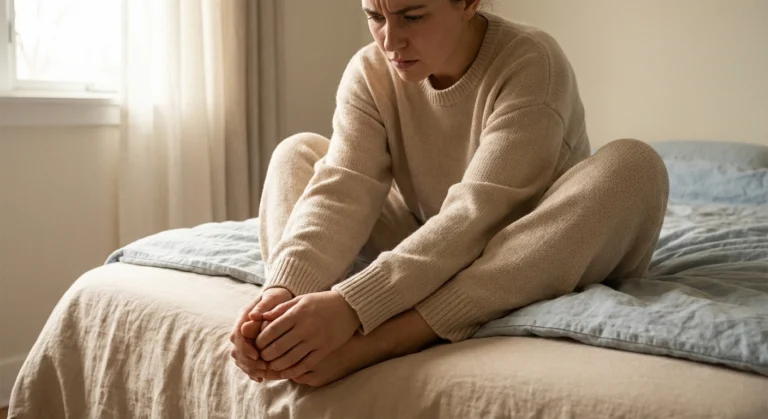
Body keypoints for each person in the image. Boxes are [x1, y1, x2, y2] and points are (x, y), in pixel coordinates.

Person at [229, 0, 669, 387]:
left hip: (526, 252)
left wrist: (351, 306)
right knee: (299, 152)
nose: (390, 40)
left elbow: (478, 215)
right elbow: (345, 188)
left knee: (633, 166)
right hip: (428, 237)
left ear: (469, 2)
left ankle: (388, 339)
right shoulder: (370, 72)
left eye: (412, 16)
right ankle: (297, 320)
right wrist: (280, 296)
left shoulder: (533, 64)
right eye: (374, 16)